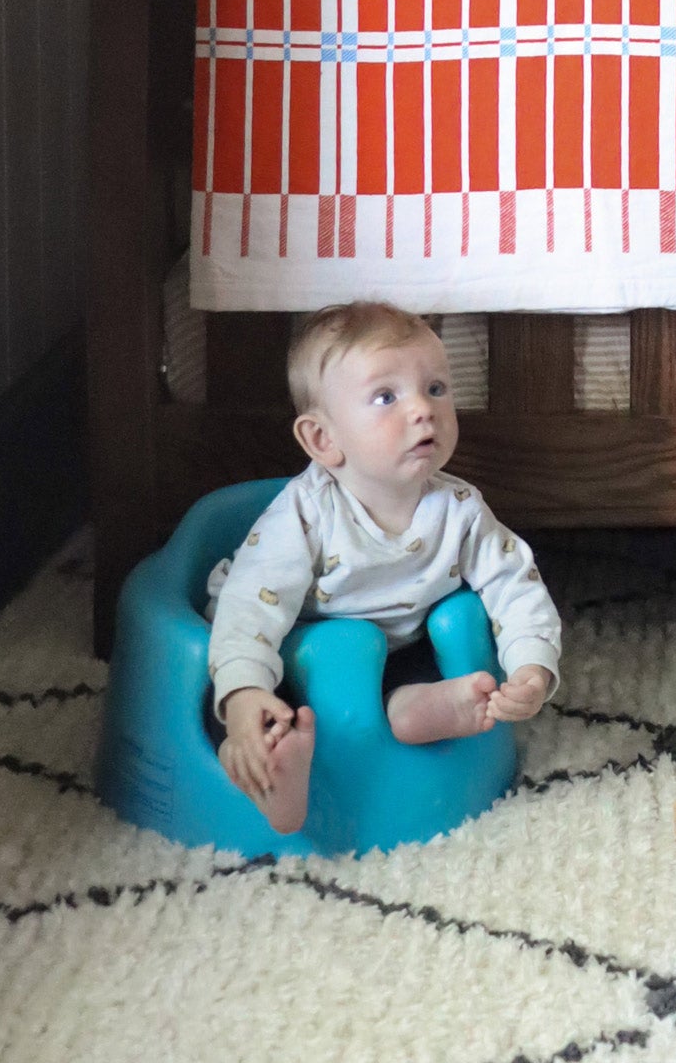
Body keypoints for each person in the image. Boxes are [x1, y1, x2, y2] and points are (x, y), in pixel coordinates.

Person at [207, 302, 560, 834]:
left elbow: (516, 584)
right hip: (291, 646)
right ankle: (276, 764)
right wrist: (241, 695)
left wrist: (532, 665)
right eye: (386, 396)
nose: (422, 409)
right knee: (261, 698)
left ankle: (411, 711)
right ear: (324, 439)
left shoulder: (459, 509)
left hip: (392, 646)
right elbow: (250, 609)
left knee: (435, 639)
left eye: (436, 388)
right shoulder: (303, 516)